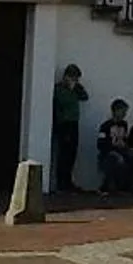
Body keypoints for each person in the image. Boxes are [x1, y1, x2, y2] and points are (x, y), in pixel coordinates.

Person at [51, 64, 89, 192]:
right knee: (64, 154)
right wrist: (70, 89)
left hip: (73, 123)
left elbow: (85, 97)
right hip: (63, 124)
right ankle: (61, 183)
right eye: (73, 78)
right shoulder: (59, 89)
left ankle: (68, 181)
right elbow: (61, 103)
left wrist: (76, 87)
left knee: (72, 153)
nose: (75, 81)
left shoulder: (76, 89)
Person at [95, 99, 133, 195]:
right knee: (115, 159)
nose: (124, 114)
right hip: (108, 153)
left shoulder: (124, 124)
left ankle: (131, 187)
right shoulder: (105, 126)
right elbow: (101, 144)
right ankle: (109, 186)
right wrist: (112, 149)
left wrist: (128, 148)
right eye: (123, 111)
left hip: (122, 151)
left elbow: (125, 140)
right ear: (115, 111)